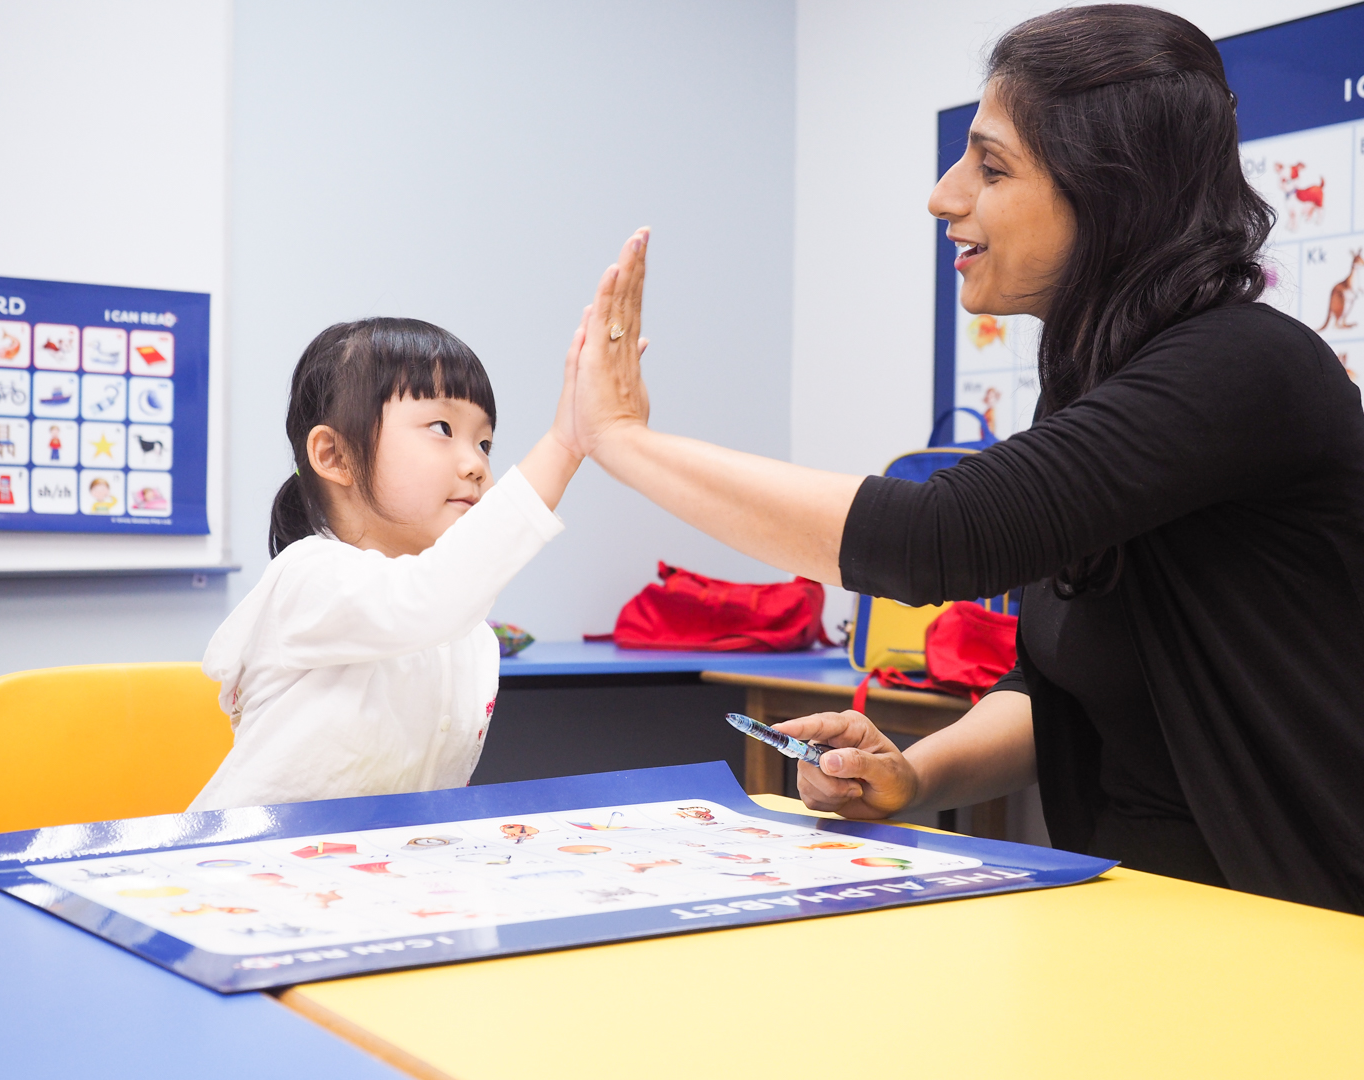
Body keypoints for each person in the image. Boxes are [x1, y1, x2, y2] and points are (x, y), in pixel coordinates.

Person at [569, 6, 1364, 913]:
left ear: (1113, 192)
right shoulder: (1096, 380)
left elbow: (937, 537)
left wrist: (624, 442)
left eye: (991, 167)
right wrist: (908, 775)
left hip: (1304, 924)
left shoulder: (1242, 369)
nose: (945, 195)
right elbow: (1054, 684)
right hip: (1152, 913)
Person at [189, 315, 589, 810]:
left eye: (483, 442)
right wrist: (566, 446)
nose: (477, 465)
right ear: (335, 455)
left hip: (375, 875)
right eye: (442, 428)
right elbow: (424, 601)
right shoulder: (308, 577)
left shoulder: (470, 636)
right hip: (246, 870)